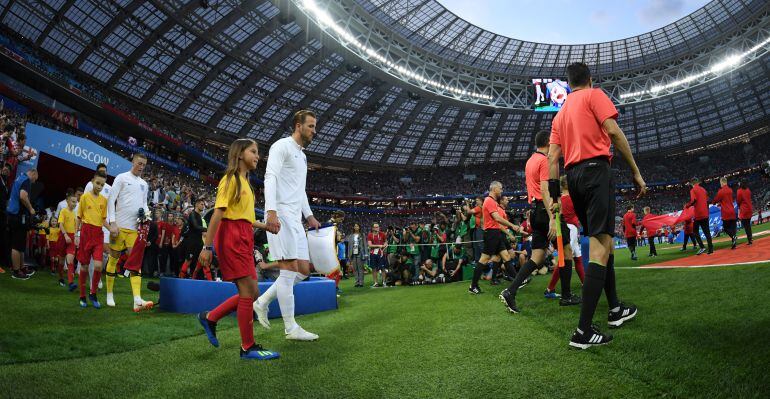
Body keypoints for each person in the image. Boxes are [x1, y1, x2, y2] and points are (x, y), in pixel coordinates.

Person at [548, 62, 643, 349]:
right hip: (596, 171)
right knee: (600, 249)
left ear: (568, 84)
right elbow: (613, 132)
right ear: (589, 79)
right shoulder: (594, 95)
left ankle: (615, 308)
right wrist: (636, 171)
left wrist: (554, 197)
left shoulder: (560, 114)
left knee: (605, 243)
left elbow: (553, 159)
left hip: (573, 177)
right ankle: (583, 331)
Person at [196, 138, 279, 360]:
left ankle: (210, 317)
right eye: (253, 151)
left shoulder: (247, 184)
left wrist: (267, 226)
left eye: (257, 152)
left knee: (253, 293)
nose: (257, 156)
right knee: (246, 292)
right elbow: (218, 213)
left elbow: (247, 219)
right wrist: (207, 246)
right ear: (240, 153)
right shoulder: (230, 179)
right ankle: (247, 347)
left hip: (244, 235)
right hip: (232, 237)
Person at [253, 110, 322, 341]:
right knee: (288, 269)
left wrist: (309, 215)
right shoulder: (281, 146)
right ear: (298, 126)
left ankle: (261, 302)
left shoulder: (302, 156)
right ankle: (291, 328)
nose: (314, 131)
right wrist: (270, 211)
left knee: (303, 270)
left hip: (295, 219)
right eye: (311, 126)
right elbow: (270, 176)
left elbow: (300, 189)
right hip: (280, 215)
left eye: (314, 126)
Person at [500, 131, 580, 313]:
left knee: (537, 257)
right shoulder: (545, 160)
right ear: (548, 142)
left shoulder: (530, 161)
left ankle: (510, 291)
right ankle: (566, 296)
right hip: (547, 212)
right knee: (566, 250)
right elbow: (545, 190)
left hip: (536, 212)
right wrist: (553, 218)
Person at [105, 154, 153, 311]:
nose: (141, 166)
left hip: (134, 229)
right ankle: (109, 294)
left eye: (144, 165)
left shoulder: (144, 184)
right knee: (113, 259)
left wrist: (147, 215)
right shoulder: (121, 178)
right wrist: (112, 222)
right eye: (139, 163)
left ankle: (137, 299)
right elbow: (111, 199)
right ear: (133, 162)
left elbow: (144, 204)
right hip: (119, 226)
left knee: (135, 262)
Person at [468, 181, 524, 295]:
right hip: (491, 233)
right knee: (483, 259)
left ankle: (518, 281)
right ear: (494, 189)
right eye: (501, 188)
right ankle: (473, 286)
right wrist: (512, 225)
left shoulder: (491, 201)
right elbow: (497, 218)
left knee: (506, 257)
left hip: (495, 233)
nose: (502, 190)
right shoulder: (489, 201)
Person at [544, 176, 586, 299]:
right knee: (564, 259)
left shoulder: (559, 199)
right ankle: (550, 288)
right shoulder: (573, 198)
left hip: (565, 228)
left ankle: (585, 283)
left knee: (577, 258)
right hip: (570, 230)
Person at [75, 171, 109, 309]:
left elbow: (103, 219)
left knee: (98, 266)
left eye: (102, 184)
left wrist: (112, 227)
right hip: (85, 233)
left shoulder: (104, 200)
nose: (100, 186)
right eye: (98, 183)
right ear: (92, 181)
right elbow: (78, 217)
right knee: (83, 266)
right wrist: (77, 234)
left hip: (98, 234)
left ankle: (93, 294)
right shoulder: (84, 197)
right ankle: (82, 296)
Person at [7, 168, 38, 279]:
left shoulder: (19, 178)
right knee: (16, 245)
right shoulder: (26, 180)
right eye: (35, 179)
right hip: (17, 215)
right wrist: (31, 209)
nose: (34, 182)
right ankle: (16, 271)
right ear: (33, 173)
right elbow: (23, 196)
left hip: (13, 214)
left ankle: (21, 268)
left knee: (20, 244)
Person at [179, 198, 207, 279]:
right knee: (188, 261)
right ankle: (181, 278)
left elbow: (199, 229)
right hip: (192, 242)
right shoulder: (192, 214)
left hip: (199, 242)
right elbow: (196, 227)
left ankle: (196, 279)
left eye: (204, 205)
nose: (203, 206)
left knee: (202, 261)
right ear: (197, 204)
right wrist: (208, 229)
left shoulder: (199, 216)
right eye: (202, 204)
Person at [686, 177, 712, 255]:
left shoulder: (693, 190)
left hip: (698, 214)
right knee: (707, 232)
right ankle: (711, 249)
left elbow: (694, 200)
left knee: (695, 231)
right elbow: (708, 201)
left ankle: (702, 246)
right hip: (705, 213)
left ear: (692, 183)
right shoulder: (703, 189)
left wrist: (687, 205)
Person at [58, 192, 78, 290]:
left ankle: (71, 283)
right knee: (61, 260)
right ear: (67, 201)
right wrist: (65, 235)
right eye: (73, 201)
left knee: (70, 260)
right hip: (63, 236)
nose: (74, 203)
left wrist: (76, 236)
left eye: (76, 202)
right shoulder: (63, 211)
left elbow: (75, 227)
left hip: (72, 238)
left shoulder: (75, 214)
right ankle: (61, 278)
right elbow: (60, 224)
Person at [711, 177, 737, 249]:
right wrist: (721, 203)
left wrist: (714, 203)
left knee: (725, 228)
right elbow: (726, 200)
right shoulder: (730, 190)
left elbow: (715, 200)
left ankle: (733, 237)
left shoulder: (721, 191)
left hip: (726, 212)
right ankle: (734, 243)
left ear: (722, 182)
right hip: (732, 211)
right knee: (733, 228)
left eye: (720, 183)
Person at [346, 223, 367, 287]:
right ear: (353, 227)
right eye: (355, 226)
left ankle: (361, 282)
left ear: (359, 227)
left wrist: (366, 253)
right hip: (353, 253)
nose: (356, 227)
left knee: (360, 268)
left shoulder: (362, 235)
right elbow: (349, 246)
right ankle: (356, 282)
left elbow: (365, 245)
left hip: (360, 253)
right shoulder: (351, 236)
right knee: (355, 268)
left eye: (357, 226)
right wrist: (349, 255)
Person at [367, 223, 387, 287]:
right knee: (374, 268)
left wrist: (384, 245)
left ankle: (384, 282)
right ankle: (376, 282)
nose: (377, 228)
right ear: (372, 228)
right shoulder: (370, 235)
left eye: (377, 227)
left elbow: (386, 242)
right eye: (375, 227)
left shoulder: (382, 234)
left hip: (381, 253)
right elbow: (370, 245)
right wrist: (378, 245)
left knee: (383, 268)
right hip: (373, 254)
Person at [736, 180, 753, 245]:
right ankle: (750, 238)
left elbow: (738, 201)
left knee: (746, 226)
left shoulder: (739, 191)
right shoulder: (748, 190)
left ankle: (750, 239)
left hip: (744, 210)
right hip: (749, 209)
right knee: (748, 225)